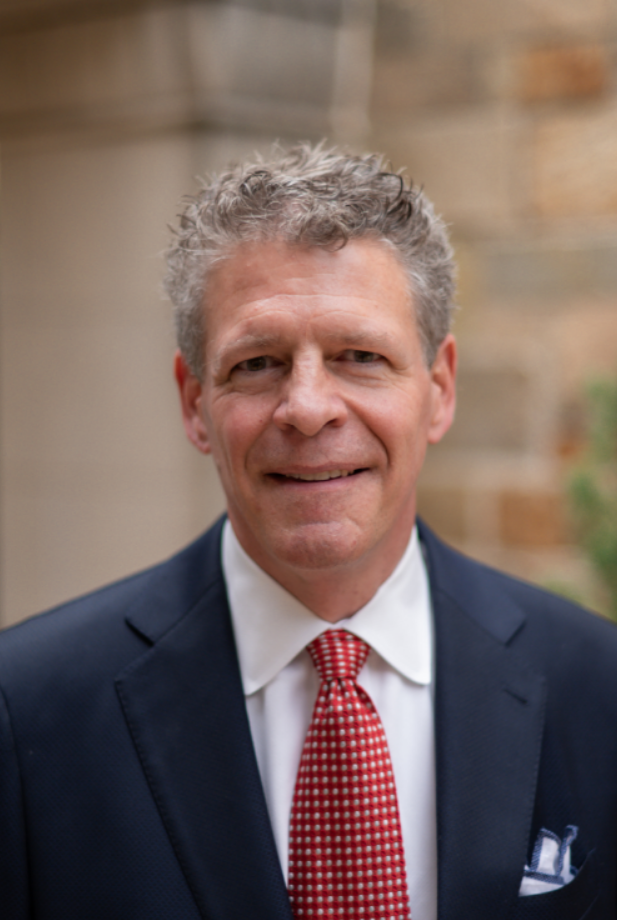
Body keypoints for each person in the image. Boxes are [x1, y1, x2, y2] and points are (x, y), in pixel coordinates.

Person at [1, 144, 616, 920]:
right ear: (193, 402)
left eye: (360, 357)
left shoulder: (599, 688)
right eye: (257, 364)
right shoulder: (25, 711)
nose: (307, 407)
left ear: (438, 390)